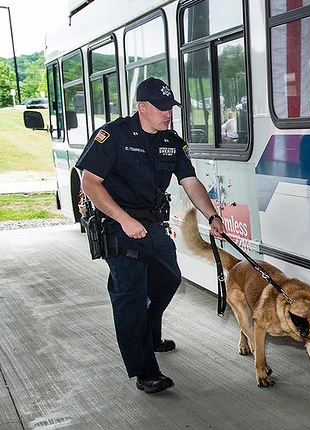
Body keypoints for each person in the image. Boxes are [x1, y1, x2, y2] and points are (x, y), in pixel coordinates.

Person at [76, 77, 226, 394]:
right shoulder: (113, 136)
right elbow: (90, 183)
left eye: (170, 108)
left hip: (154, 226)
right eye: (160, 108)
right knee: (129, 296)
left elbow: (191, 182)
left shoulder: (171, 141)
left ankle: (149, 332)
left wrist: (211, 215)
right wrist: (124, 219)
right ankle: (145, 371)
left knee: (169, 278)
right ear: (141, 107)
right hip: (118, 225)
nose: (167, 113)